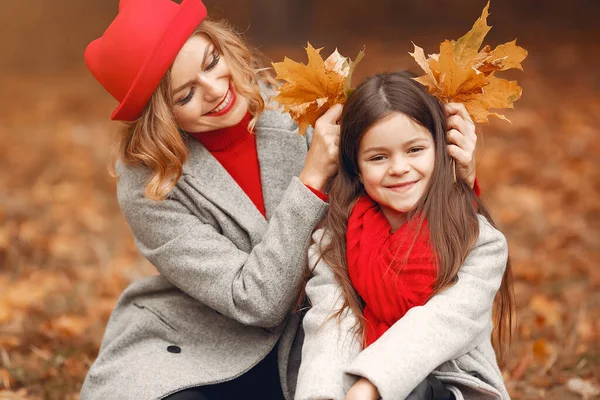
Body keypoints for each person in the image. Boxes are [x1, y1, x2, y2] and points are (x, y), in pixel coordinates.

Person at [80, 0, 479, 398]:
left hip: (322, 328)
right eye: (186, 96)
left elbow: (398, 200)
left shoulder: (303, 110)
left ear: (223, 44)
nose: (217, 90)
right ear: (160, 115)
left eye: (211, 61)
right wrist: (310, 181)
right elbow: (254, 302)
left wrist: (460, 176)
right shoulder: (150, 181)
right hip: (200, 341)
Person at [296, 72, 514, 400]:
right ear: (356, 167)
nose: (398, 167)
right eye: (378, 157)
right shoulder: (335, 240)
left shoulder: (477, 241)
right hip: (357, 384)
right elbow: (331, 325)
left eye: (414, 149)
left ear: (441, 150)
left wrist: (371, 386)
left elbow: (440, 324)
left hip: (452, 387)